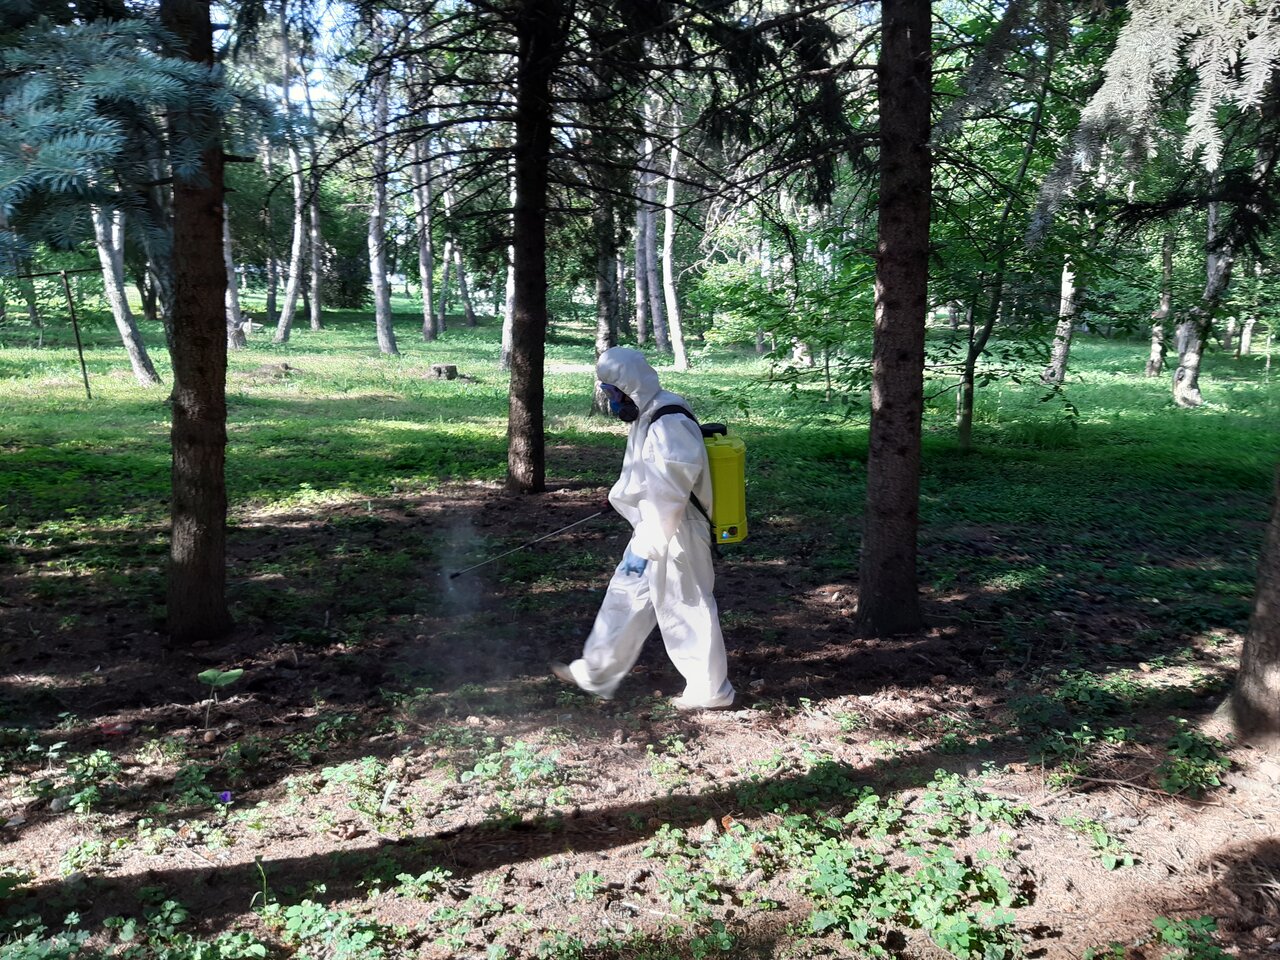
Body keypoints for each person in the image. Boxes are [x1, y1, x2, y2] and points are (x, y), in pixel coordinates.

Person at [551, 347, 735, 710]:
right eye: (606, 392)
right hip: (653, 529)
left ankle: (710, 691)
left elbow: (671, 491)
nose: (611, 401)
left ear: (629, 388)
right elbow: (646, 474)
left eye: (612, 392)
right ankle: (596, 672)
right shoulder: (648, 412)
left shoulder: (668, 420)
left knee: (687, 605)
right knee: (625, 596)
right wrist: (624, 496)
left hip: (677, 531)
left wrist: (650, 543)